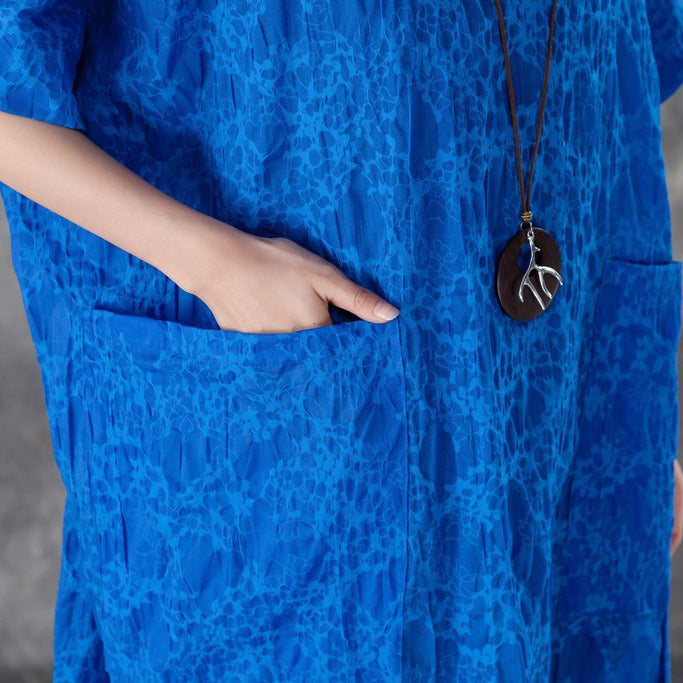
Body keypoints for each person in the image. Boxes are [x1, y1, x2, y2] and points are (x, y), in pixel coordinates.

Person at [0, 1, 682, 681]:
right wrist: (214, 263)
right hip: (287, 414)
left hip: (560, 421)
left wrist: (627, 412)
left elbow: (609, 73)